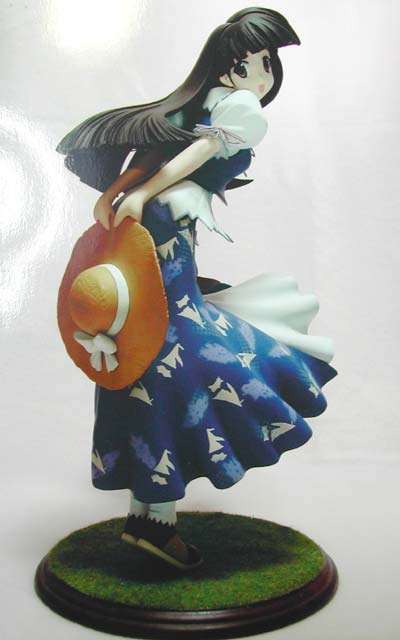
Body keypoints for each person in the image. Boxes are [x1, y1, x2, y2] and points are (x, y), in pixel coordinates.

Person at [57, 7, 337, 571]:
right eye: (248, 63)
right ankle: (155, 524)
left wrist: (123, 193)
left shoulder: (211, 103)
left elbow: (162, 154)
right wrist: (128, 192)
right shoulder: (236, 106)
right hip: (161, 227)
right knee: (174, 361)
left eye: (265, 62)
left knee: (147, 363)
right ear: (223, 65)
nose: (259, 75)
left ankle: (148, 518)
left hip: (154, 229)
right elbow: (188, 155)